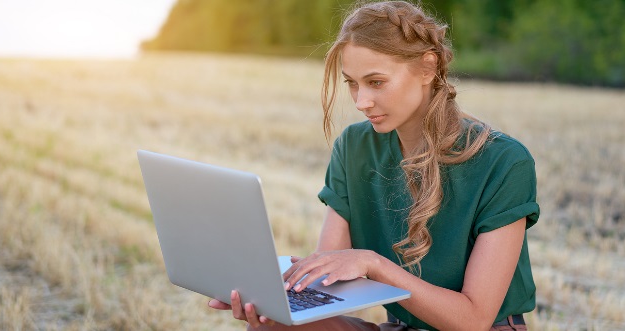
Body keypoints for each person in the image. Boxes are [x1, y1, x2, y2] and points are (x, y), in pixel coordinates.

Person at [209, 1, 539, 330]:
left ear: (427, 68)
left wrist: (373, 264)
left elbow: (473, 320)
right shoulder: (354, 147)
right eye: (351, 83)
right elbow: (329, 278)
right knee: (272, 326)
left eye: (376, 82)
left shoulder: (504, 162)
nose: (360, 101)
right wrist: (270, 300)